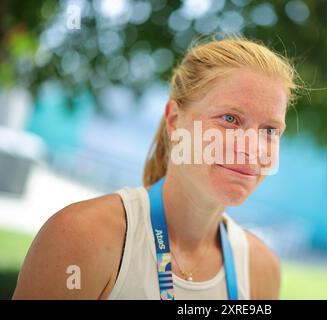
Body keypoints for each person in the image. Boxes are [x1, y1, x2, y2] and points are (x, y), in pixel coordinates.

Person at [13, 36, 300, 300]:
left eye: (270, 130)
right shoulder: (82, 237)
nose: (252, 148)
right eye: (230, 118)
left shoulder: (260, 269)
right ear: (174, 121)